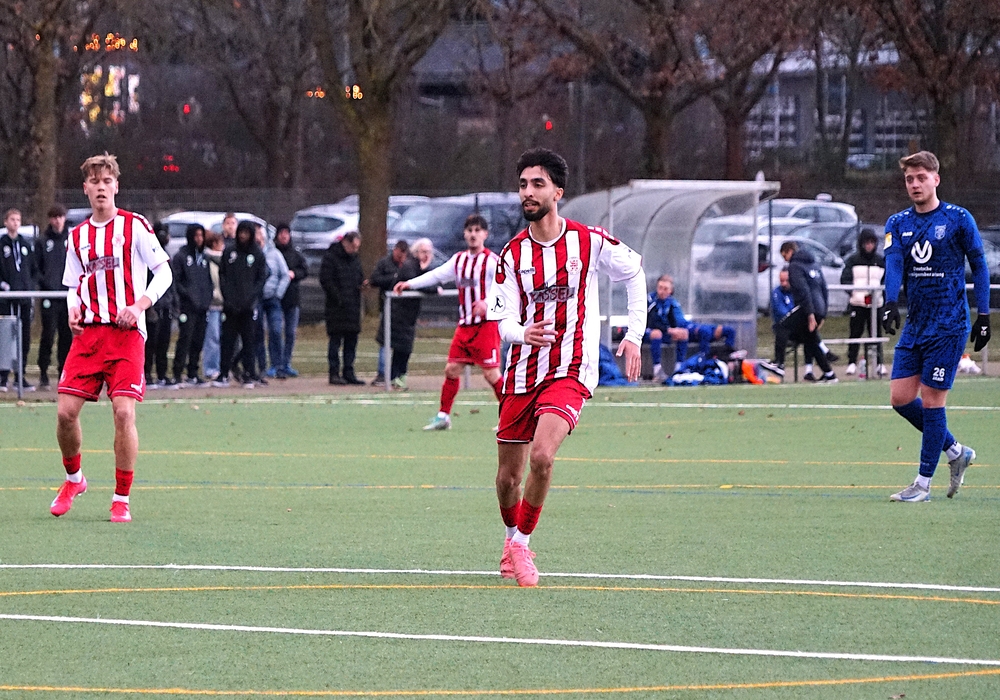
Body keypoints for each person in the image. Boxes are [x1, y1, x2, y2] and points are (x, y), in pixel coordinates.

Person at [487, 148, 646, 587]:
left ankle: (522, 544)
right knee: (507, 480)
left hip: (571, 370)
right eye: (523, 184)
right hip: (522, 373)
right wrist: (524, 333)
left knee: (542, 456)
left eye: (537, 184)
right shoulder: (511, 255)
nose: (528, 192)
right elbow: (502, 322)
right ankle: (510, 539)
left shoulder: (588, 241)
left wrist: (634, 334)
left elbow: (634, 272)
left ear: (558, 192)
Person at [51, 153, 173, 523]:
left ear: (116, 186)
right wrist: (73, 309)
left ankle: (121, 498)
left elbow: (164, 272)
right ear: (85, 189)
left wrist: (139, 306)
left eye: (107, 181)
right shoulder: (77, 236)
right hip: (88, 336)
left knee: (123, 412)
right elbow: (73, 284)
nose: (101, 187)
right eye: (95, 181)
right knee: (65, 413)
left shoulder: (135, 226)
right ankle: (75, 479)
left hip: (126, 335)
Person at [882, 150, 990, 502]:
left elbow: (979, 265)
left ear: (935, 179)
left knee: (931, 401)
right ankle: (956, 452)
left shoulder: (958, 218)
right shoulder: (897, 223)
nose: (915, 184)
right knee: (901, 398)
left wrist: (984, 315)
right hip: (916, 325)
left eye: (921, 178)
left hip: (949, 324)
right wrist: (889, 301)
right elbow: (894, 263)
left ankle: (922, 484)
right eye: (909, 179)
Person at [394, 214, 504, 430]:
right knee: (452, 369)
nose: (473, 235)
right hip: (465, 326)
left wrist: (487, 303)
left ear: (485, 234)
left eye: (477, 230)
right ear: (465, 234)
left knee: (491, 374)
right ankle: (443, 416)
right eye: (469, 230)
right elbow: (436, 275)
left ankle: (511, 418)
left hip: (486, 326)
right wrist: (409, 283)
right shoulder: (459, 260)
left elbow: (506, 289)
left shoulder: (492, 261)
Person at [644, 274, 736, 381]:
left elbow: (674, 322)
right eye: (660, 288)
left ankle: (679, 368)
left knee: (684, 333)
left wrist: (674, 330)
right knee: (657, 333)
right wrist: (670, 330)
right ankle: (658, 369)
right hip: (646, 330)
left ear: (671, 290)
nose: (662, 291)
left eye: (665, 289)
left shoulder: (671, 302)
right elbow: (651, 321)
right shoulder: (650, 300)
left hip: (669, 330)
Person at [213, 220, 266, 388]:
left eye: (246, 233)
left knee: (249, 341)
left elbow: (261, 279)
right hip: (230, 307)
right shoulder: (229, 252)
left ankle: (249, 374)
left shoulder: (257, 254)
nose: (243, 235)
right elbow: (223, 276)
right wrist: (228, 298)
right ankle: (223, 374)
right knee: (227, 341)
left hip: (248, 308)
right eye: (241, 232)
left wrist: (250, 299)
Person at [777, 240, 837, 382]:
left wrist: (810, 314)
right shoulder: (814, 264)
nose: (785, 260)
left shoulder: (795, 266)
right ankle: (830, 374)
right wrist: (823, 313)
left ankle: (779, 364)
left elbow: (803, 290)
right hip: (819, 308)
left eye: (784, 256)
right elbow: (824, 289)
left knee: (781, 327)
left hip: (807, 308)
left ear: (789, 251)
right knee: (811, 341)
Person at [382, 238, 433, 389]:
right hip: (398, 312)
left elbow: (432, 281)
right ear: (416, 252)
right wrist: (434, 287)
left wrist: (426, 272)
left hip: (409, 315)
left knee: (404, 348)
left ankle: (398, 377)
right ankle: (394, 377)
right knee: (401, 347)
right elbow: (418, 283)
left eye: (429, 252)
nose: (426, 255)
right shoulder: (409, 265)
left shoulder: (421, 267)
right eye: (423, 251)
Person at [35, 204, 73, 390]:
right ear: (50, 219)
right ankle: (43, 373)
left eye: (60, 217)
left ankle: (63, 374)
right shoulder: (42, 241)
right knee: (48, 335)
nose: (58, 221)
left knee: (66, 336)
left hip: (67, 297)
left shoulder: (71, 240)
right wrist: (46, 285)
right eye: (54, 217)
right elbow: (36, 269)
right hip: (49, 296)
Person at [0, 208, 38, 391]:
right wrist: (4, 285)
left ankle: (20, 376)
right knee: (7, 336)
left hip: (24, 298)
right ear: (6, 222)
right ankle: (3, 376)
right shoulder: (2, 244)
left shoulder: (25, 244)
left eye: (18, 220)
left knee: (24, 336)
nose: (15, 223)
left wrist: (29, 286)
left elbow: (33, 269)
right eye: (12, 219)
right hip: (6, 299)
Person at [170, 223, 213, 385]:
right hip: (187, 307)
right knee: (185, 340)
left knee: (198, 341)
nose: (199, 239)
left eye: (201, 236)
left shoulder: (204, 258)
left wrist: (207, 299)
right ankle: (177, 373)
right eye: (196, 236)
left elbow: (208, 281)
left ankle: (193, 373)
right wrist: (188, 296)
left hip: (202, 307)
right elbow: (176, 281)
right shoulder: (181, 256)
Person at [841, 227, 886, 378]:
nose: (869, 246)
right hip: (858, 303)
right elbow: (845, 279)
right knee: (855, 332)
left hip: (876, 305)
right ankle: (851, 362)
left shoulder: (880, 261)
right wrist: (854, 293)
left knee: (876, 333)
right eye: (866, 243)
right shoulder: (853, 260)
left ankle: (879, 363)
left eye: (872, 242)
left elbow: (886, 280)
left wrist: (881, 295)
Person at [320, 231, 364, 385]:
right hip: (336, 308)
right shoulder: (331, 257)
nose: (355, 250)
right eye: (353, 246)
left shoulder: (355, 259)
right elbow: (326, 280)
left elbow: (358, 276)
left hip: (353, 306)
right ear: (346, 242)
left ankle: (348, 371)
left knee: (351, 341)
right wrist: (338, 298)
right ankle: (334, 372)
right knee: (335, 341)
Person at [369, 239, 409, 385]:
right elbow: (374, 280)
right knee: (385, 340)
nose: (401, 259)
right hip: (387, 306)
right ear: (395, 250)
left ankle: (397, 373)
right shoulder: (384, 263)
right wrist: (393, 279)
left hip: (403, 309)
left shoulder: (408, 265)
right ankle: (382, 373)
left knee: (401, 341)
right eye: (399, 255)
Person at [145, 223, 178, 388]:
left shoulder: (165, 257)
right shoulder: (147, 257)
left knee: (164, 342)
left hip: (166, 306)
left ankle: (162, 373)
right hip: (153, 306)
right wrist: (148, 306)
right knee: (150, 343)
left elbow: (171, 283)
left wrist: (174, 303)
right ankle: (146, 373)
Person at [274, 223, 307, 377]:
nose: (284, 236)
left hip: (292, 299)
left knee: (290, 333)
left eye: (286, 233)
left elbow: (304, 270)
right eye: (281, 233)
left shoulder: (295, 254)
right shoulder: (273, 253)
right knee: (276, 332)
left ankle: (286, 363)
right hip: (276, 299)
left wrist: (294, 274)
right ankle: (276, 363)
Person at [258, 224, 290, 379]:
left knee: (276, 331)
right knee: (257, 333)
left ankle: (278, 366)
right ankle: (261, 367)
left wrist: (278, 294)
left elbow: (285, 275)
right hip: (256, 300)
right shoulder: (252, 253)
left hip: (272, 299)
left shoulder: (275, 254)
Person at [202, 231, 226, 380]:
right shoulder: (208, 261)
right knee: (213, 337)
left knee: (223, 337)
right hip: (212, 305)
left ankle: (223, 367)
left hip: (225, 304)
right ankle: (210, 368)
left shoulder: (225, 260)